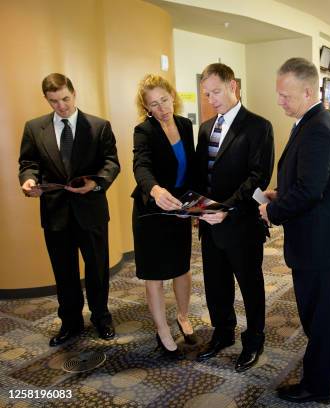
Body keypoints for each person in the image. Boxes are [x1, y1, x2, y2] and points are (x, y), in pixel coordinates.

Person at [259, 58, 330, 404]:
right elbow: (306, 180)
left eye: (285, 96)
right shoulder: (313, 121)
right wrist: (279, 192)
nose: (280, 102)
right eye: (279, 95)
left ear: (306, 90)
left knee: (317, 313)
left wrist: (273, 210)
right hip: (323, 237)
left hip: (315, 241)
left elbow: (309, 191)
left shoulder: (316, 127)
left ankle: (317, 385)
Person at [18, 73, 120, 346]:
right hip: (55, 212)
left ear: (74, 93)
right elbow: (28, 163)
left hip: (91, 210)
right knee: (64, 272)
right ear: (46, 100)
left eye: (65, 99)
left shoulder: (98, 126)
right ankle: (70, 322)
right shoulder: (34, 128)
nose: (61, 106)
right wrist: (28, 179)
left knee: (97, 269)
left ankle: (101, 317)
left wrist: (96, 183)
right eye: (54, 101)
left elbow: (111, 164)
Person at [195, 63, 274, 373]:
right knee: (216, 284)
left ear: (233, 87)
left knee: (250, 284)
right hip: (209, 223)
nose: (211, 99)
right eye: (206, 94)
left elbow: (258, 176)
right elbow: (203, 175)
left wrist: (224, 207)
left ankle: (254, 339)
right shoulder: (205, 128)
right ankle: (223, 332)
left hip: (241, 222)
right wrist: (198, 207)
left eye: (216, 91)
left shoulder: (258, 126)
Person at [132, 74, 196, 358]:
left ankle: (183, 316)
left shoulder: (184, 125)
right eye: (154, 105)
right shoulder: (143, 131)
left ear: (173, 96)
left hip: (179, 208)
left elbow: (191, 169)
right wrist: (155, 189)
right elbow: (141, 166)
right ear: (147, 108)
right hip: (152, 212)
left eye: (165, 100)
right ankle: (162, 330)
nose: (162, 108)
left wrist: (195, 205)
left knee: (182, 267)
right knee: (155, 275)